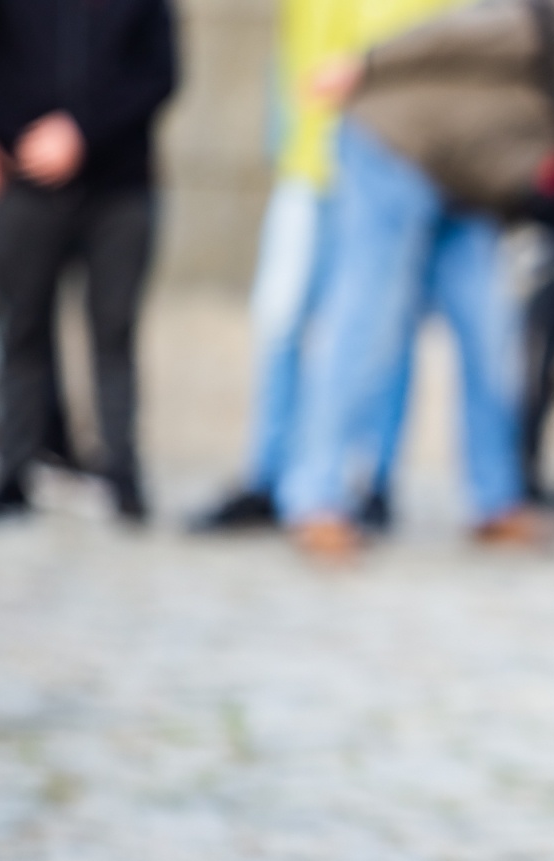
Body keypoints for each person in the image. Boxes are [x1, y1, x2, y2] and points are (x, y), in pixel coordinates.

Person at [278, 0, 554, 558]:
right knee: (367, 324)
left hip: (470, 190)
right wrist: (365, 65)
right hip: (397, 148)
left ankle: (494, 502)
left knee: (491, 335)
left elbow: (530, 152)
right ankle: (317, 498)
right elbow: (451, 35)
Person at [190, 0, 471, 535]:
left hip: (385, 164)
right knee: (284, 317)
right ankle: (271, 472)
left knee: (380, 328)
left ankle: (368, 479)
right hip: (306, 160)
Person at [0, 0, 177, 522]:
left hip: (120, 185)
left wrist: (82, 132)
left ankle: (123, 474)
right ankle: (15, 470)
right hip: (23, 180)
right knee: (21, 328)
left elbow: (161, 72)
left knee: (114, 330)